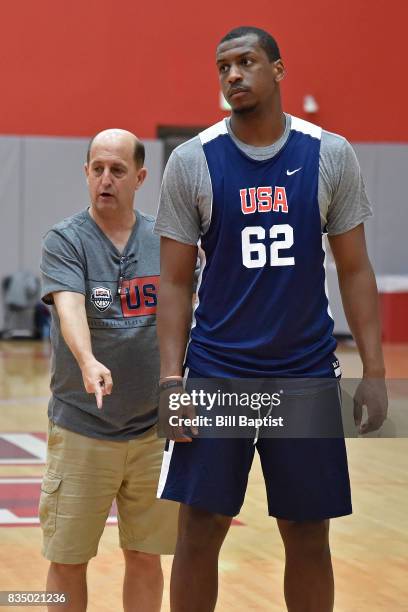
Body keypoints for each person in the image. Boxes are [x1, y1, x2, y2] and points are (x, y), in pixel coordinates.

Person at [154, 26, 388, 612]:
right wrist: (170, 382)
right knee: (199, 528)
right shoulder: (193, 160)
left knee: (308, 532)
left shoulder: (329, 153)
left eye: (247, 62)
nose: (233, 75)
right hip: (217, 375)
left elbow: (355, 270)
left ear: (278, 70)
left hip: (303, 376)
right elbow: (176, 282)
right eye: (223, 67)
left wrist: (376, 371)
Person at [39, 129, 178, 612]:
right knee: (68, 559)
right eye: (97, 168)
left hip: (150, 433)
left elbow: (189, 316)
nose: (105, 179)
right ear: (86, 173)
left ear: (139, 177)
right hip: (83, 429)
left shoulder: (165, 240)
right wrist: (87, 359)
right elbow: (69, 306)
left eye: (117, 170)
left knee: (146, 555)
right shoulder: (66, 239)